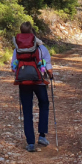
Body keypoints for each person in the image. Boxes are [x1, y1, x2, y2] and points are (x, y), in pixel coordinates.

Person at [11, 21, 53, 152]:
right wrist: (50, 75)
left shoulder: (17, 49)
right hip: (39, 81)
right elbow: (48, 66)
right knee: (44, 104)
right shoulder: (41, 48)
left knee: (27, 111)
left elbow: (13, 67)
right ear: (33, 34)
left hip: (24, 83)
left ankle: (30, 143)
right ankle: (42, 135)